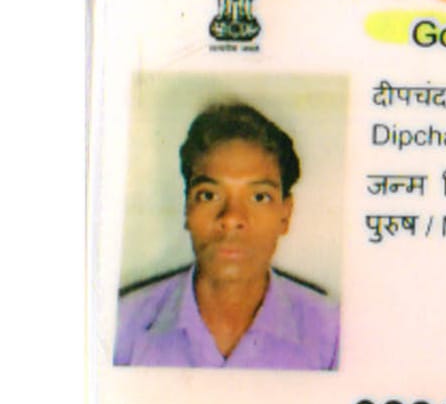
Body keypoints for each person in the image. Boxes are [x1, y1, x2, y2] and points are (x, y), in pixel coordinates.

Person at [114, 103, 339, 369]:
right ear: (187, 208)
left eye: (259, 197)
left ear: (285, 215)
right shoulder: (122, 326)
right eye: (209, 195)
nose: (231, 218)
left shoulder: (333, 335)